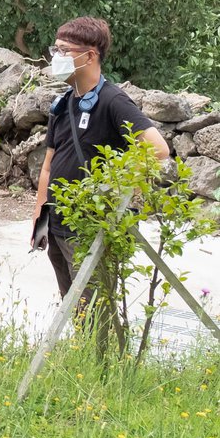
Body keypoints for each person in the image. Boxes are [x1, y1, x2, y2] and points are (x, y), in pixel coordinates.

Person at [32, 16, 171, 299]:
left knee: (95, 309)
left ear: (90, 55)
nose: (55, 57)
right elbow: (48, 165)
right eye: (54, 50)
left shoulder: (113, 101)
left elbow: (158, 149)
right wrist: (39, 217)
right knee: (71, 305)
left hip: (91, 226)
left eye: (63, 50)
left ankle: (96, 346)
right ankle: (79, 346)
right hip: (58, 223)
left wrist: (116, 187)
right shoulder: (63, 104)